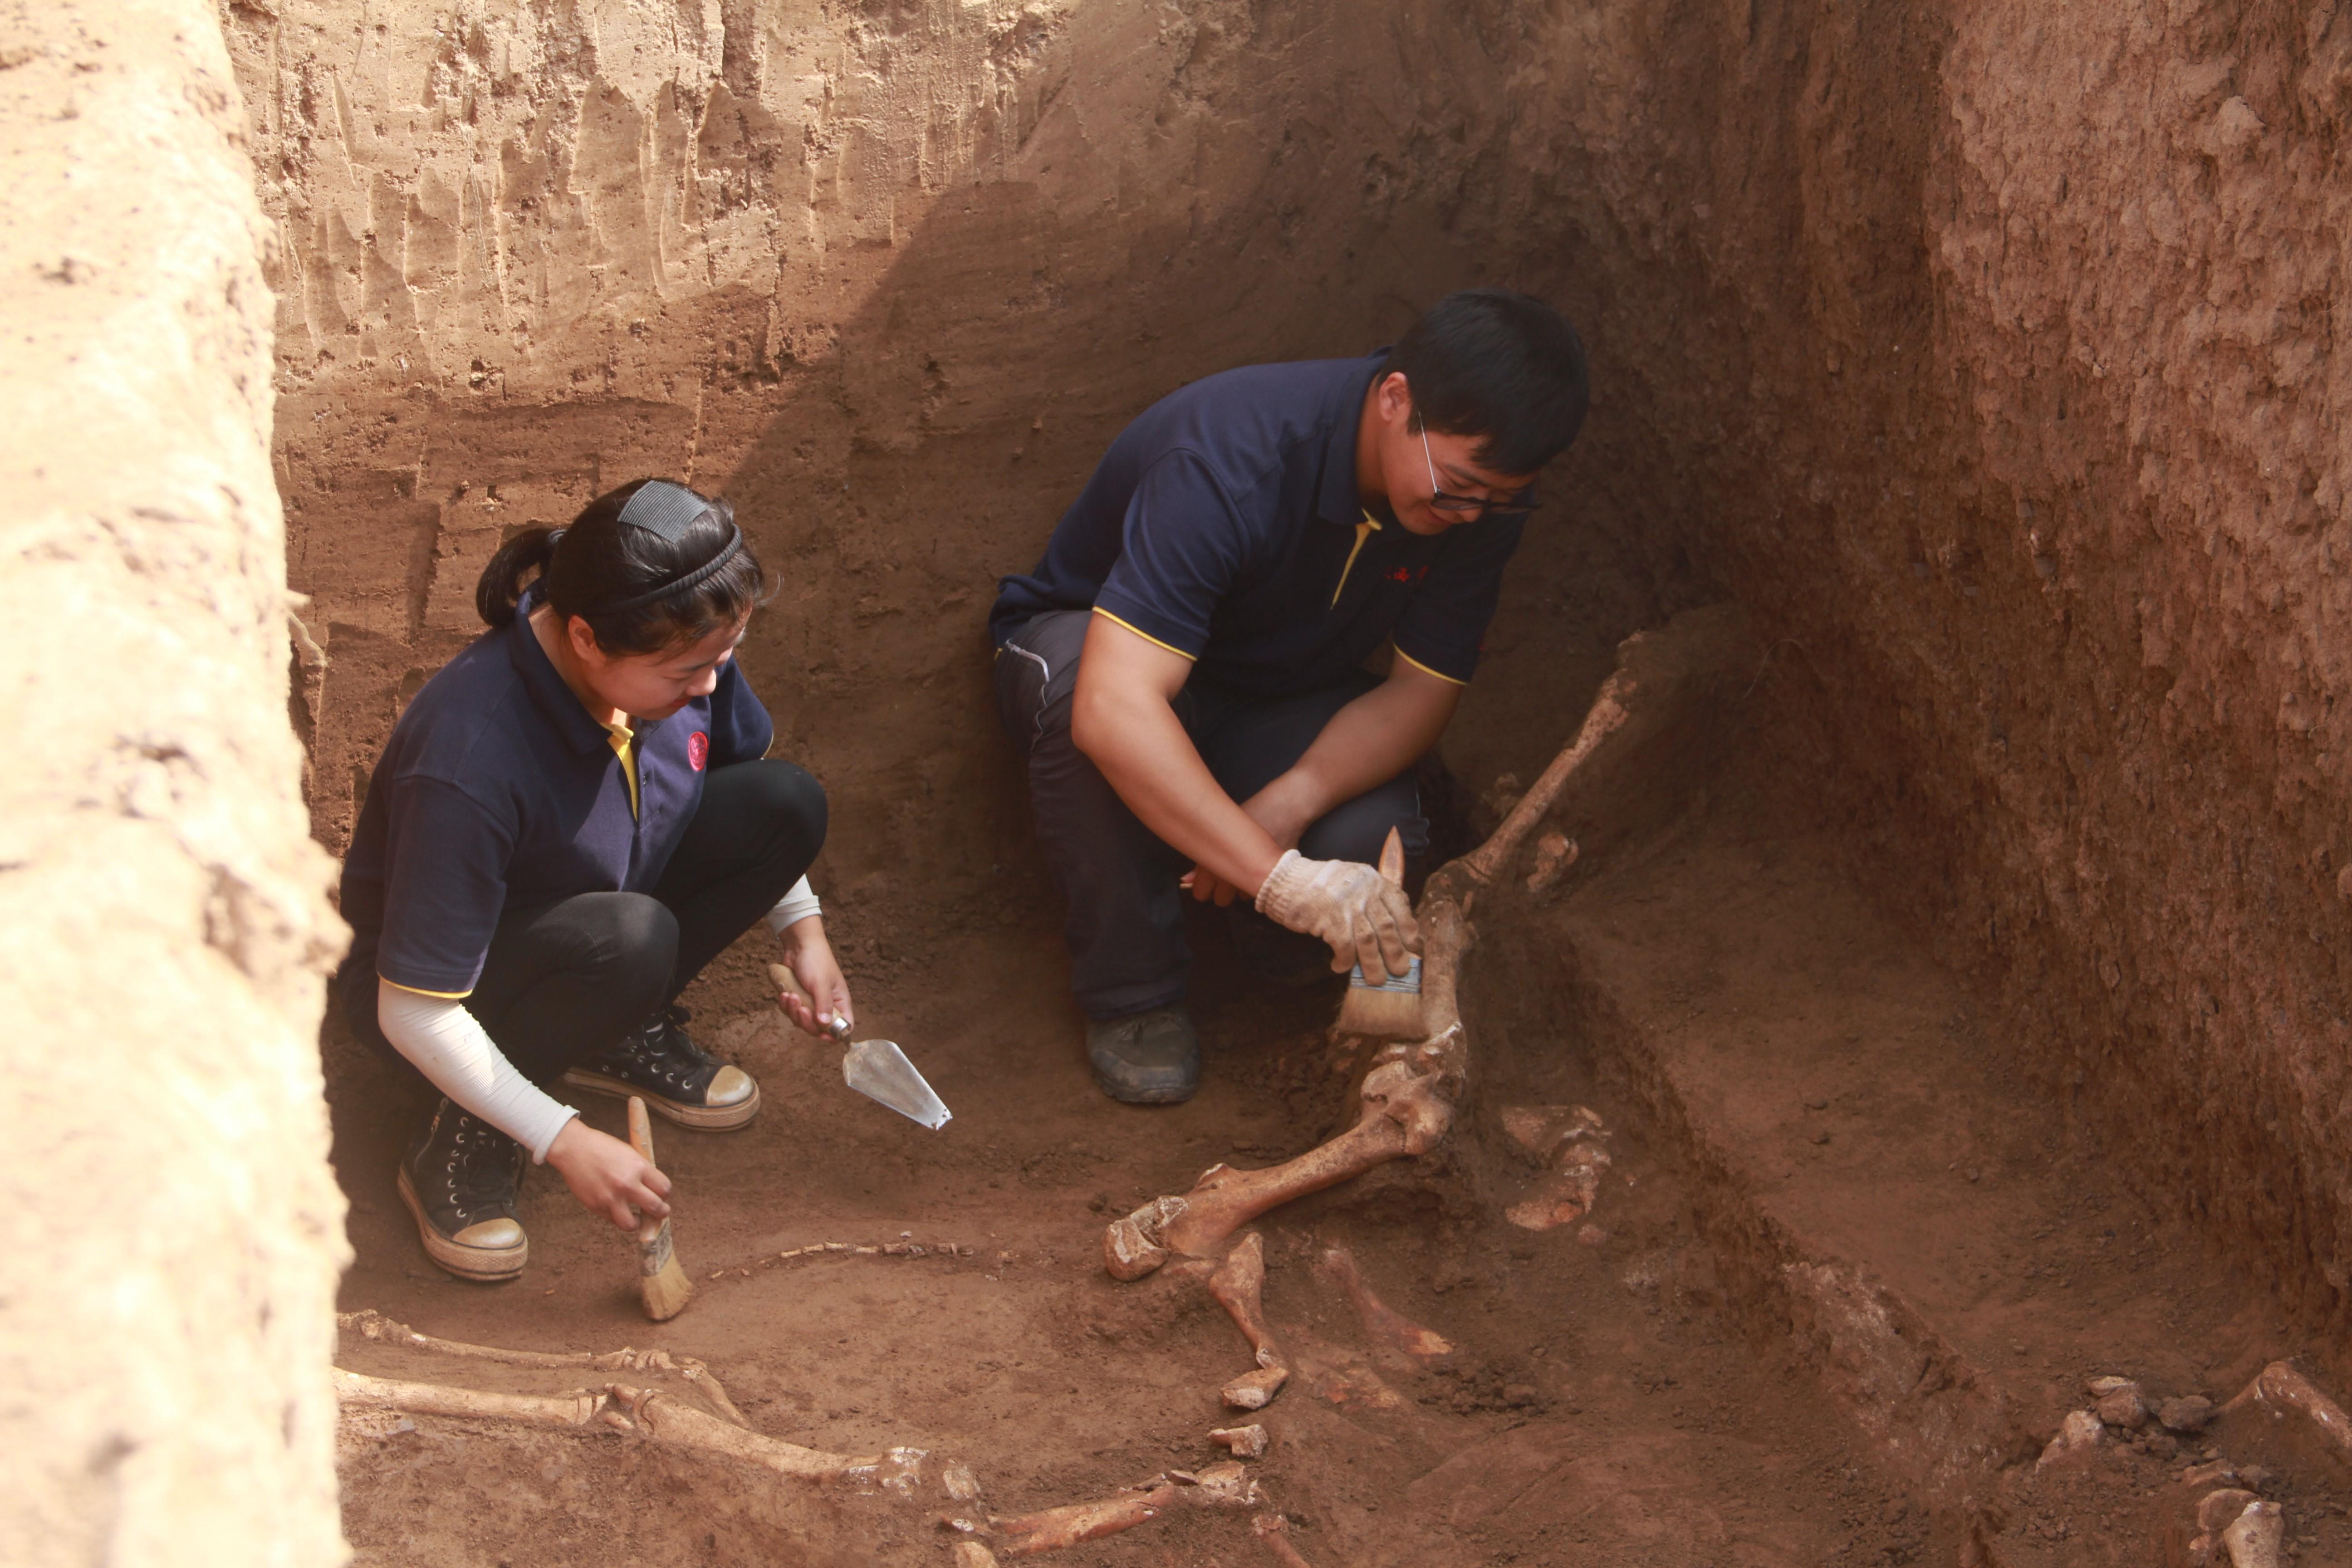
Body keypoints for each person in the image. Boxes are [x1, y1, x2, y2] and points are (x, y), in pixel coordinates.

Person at [990, 288, 1589, 1105]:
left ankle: (1259, 930)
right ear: (1395, 400)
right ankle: (1135, 995)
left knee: (1375, 827)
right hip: (1098, 655)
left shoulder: (1478, 507)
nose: (1472, 514)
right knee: (1079, 709)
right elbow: (1114, 706)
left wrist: (1287, 802)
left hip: (1271, 691)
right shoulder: (1231, 456)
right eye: (1459, 486)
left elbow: (1421, 692)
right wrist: (1286, 881)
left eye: (1499, 498)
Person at [335, 479, 854, 1282]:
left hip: (599, 917)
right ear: (585, 638)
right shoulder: (470, 757)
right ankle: (469, 1134)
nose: (710, 685)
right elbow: (410, 1009)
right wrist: (562, 1139)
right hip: (447, 996)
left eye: (724, 657)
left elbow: (733, 771)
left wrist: (805, 931)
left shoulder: (684, 646)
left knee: (784, 804)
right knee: (629, 942)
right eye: (687, 671)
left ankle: (612, 1028)